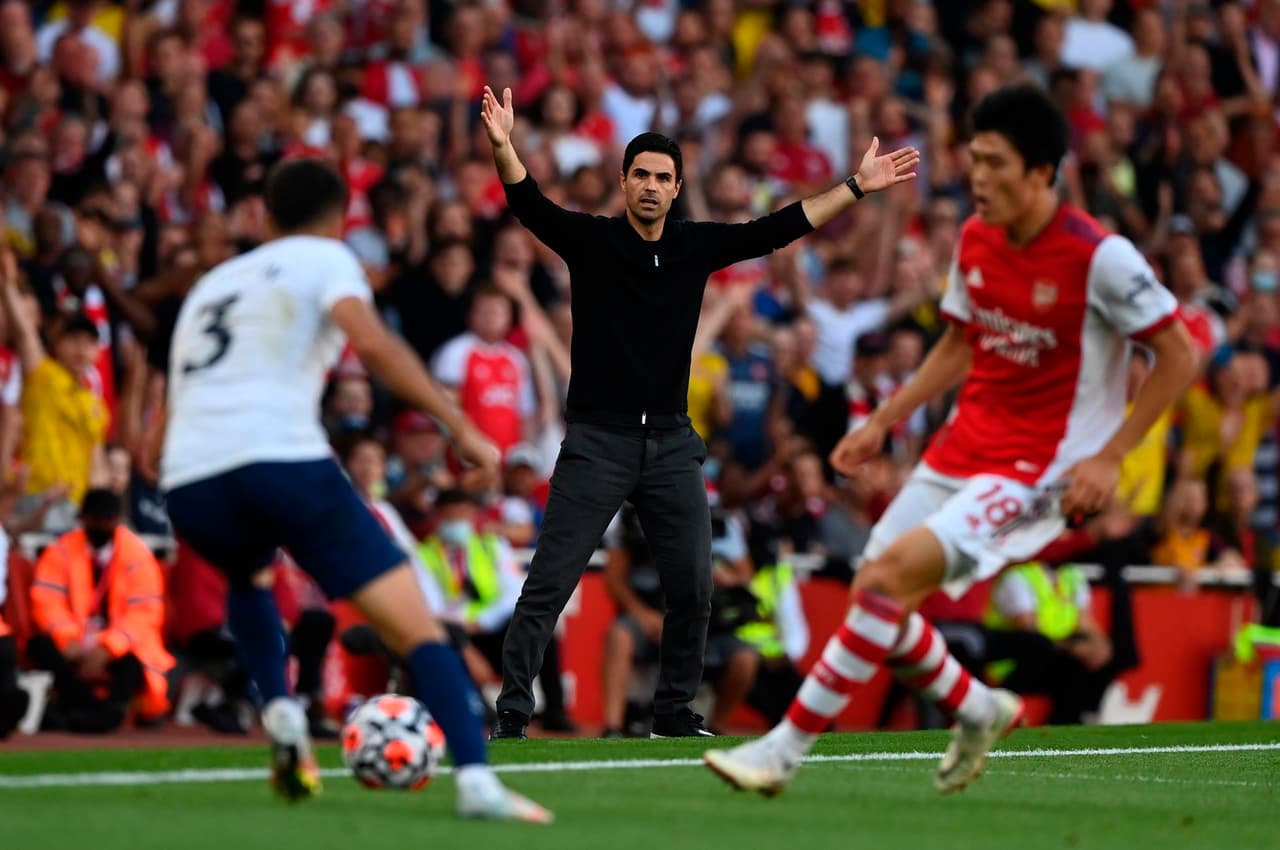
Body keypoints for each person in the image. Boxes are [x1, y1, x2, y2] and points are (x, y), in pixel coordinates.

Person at [703, 84, 1197, 796]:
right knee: (874, 591)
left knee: (884, 581)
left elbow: (1178, 352)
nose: (978, 177)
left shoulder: (1102, 258)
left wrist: (1111, 455)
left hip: (1041, 469)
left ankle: (781, 752)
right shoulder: (975, 237)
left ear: (1041, 172)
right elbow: (960, 344)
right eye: (974, 159)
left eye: (996, 163)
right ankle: (978, 707)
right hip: (964, 445)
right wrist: (883, 420)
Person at [480, 84, 919, 740]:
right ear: (624, 182)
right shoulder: (593, 240)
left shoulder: (695, 246)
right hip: (597, 440)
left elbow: (779, 229)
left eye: (663, 178)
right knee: (550, 581)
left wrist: (856, 186)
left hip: (672, 444)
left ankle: (674, 714)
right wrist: (503, 146)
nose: (651, 186)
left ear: (678, 188)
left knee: (694, 587)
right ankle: (514, 714)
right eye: (641, 175)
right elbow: (529, 203)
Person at [160, 158, 550, 823]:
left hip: (189, 479)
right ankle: (477, 782)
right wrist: (458, 424)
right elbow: (371, 344)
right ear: (340, 217)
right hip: (278, 459)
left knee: (250, 576)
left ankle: (280, 710)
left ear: (266, 215)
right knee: (418, 627)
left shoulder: (214, 283)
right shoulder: (325, 258)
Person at [27, 488, 173, 733]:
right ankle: (92, 709)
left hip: (117, 643)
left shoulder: (136, 554)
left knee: (133, 659)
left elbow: (144, 613)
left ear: (117, 520)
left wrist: (108, 648)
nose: (101, 526)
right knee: (39, 645)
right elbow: (47, 602)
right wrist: (68, 640)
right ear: (83, 519)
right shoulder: (61, 551)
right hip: (73, 640)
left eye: (107, 520)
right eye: (96, 520)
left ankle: (107, 710)